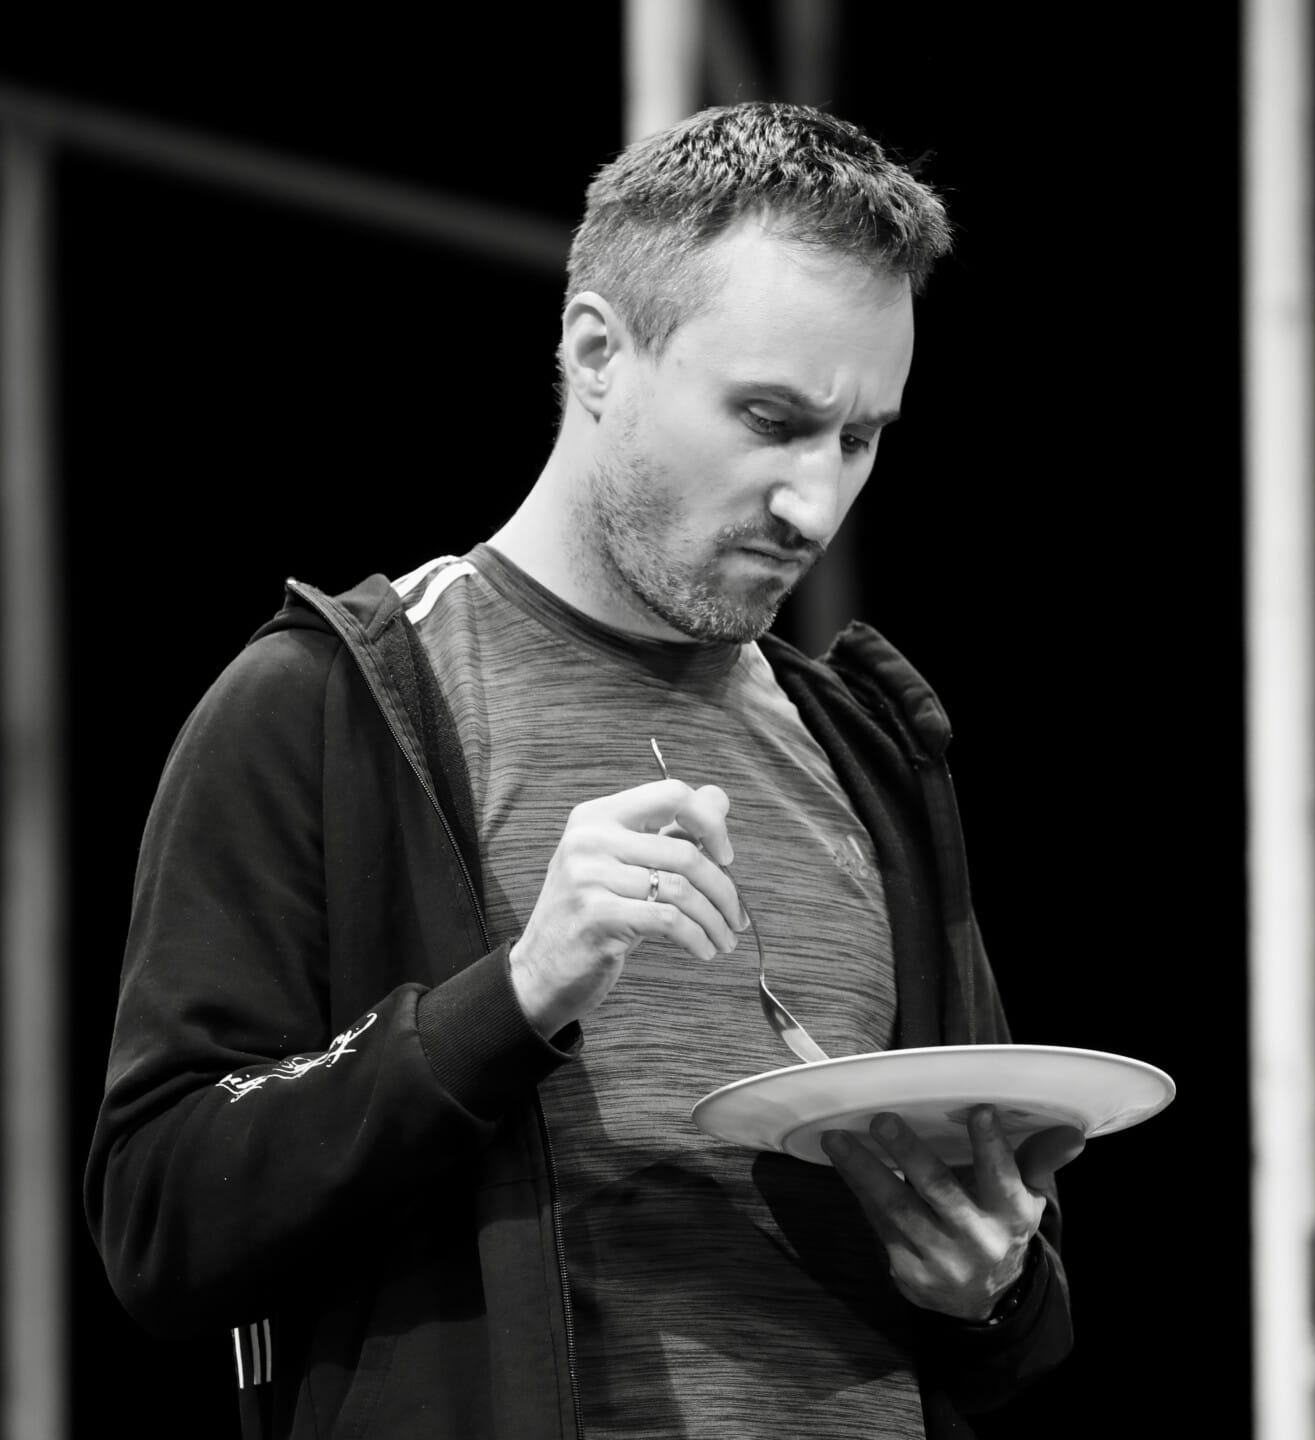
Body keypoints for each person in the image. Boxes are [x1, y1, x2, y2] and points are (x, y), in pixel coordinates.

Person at [85, 101, 1084, 1439]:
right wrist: (516, 993)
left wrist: (991, 1290)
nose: (817, 502)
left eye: (860, 439)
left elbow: (1019, 1322)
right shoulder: (327, 708)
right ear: (598, 353)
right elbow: (159, 1218)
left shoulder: (872, 759)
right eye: (771, 418)